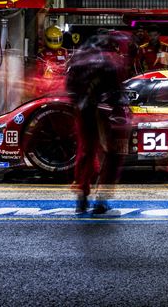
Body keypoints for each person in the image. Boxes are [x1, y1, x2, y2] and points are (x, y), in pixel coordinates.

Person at [65, 33, 129, 215]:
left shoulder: (76, 62)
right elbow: (118, 91)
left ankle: (81, 196)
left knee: (85, 152)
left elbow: (70, 90)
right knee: (114, 155)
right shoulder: (113, 62)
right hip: (109, 111)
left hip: (83, 111)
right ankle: (101, 199)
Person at [34, 25, 70, 96]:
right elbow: (38, 71)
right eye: (53, 40)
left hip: (62, 82)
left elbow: (69, 65)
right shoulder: (42, 53)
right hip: (48, 84)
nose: (55, 42)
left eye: (57, 39)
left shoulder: (64, 51)